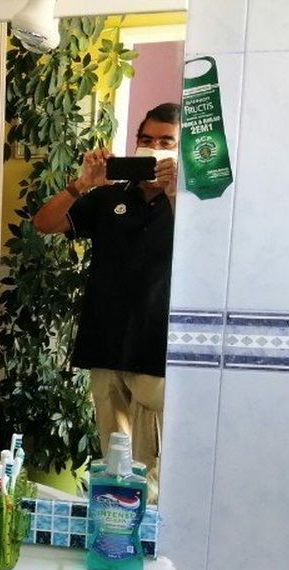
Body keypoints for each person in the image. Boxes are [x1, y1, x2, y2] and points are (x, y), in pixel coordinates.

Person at [31, 103, 181, 497]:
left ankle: (148, 532)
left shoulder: (191, 204)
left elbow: (208, 251)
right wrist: (82, 184)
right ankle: (110, 526)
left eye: (166, 142)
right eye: (146, 139)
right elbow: (44, 223)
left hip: (156, 349)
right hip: (105, 343)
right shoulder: (108, 197)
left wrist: (175, 193)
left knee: (152, 471)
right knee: (112, 464)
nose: (154, 147)